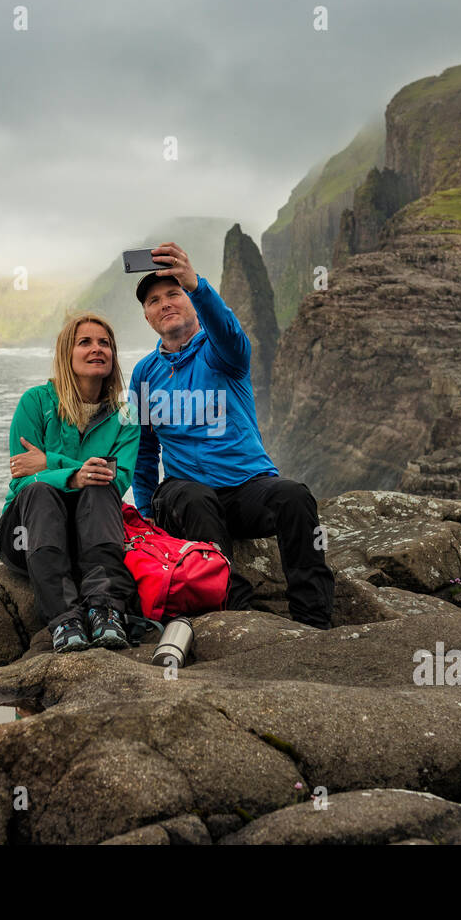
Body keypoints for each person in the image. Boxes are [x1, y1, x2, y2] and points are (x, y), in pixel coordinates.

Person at [128, 242, 335, 630]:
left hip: (245, 489)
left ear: (190, 300)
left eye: (174, 293)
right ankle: (237, 613)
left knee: (293, 496)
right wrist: (144, 517)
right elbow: (143, 452)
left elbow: (227, 330)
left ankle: (314, 617)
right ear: (147, 316)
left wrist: (197, 284)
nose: (165, 303)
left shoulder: (223, 353)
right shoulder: (143, 374)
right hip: (184, 497)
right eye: (154, 300)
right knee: (194, 495)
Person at [0, 312, 140, 653]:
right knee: (39, 491)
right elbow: (21, 479)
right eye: (84, 342)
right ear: (66, 353)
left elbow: (116, 480)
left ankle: (106, 612)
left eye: (105, 343)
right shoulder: (36, 402)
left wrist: (52, 463)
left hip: (89, 537)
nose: (97, 349)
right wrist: (74, 474)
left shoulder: (126, 416)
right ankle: (65, 621)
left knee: (100, 487)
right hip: (27, 537)